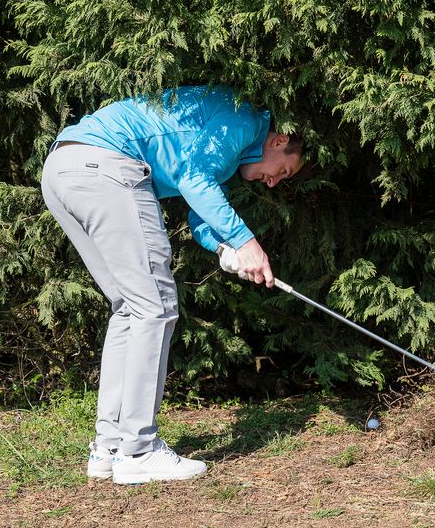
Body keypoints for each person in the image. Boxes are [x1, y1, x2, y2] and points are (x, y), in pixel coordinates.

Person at [40, 85, 306, 484]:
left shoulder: (230, 152)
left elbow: (199, 206)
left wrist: (227, 251)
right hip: (109, 166)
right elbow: (195, 180)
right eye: (283, 171)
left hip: (65, 168)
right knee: (155, 306)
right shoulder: (246, 119)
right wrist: (249, 243)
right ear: (280, 141)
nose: (273, 183)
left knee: (131, 307)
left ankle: (110, 446)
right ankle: (139, 450)